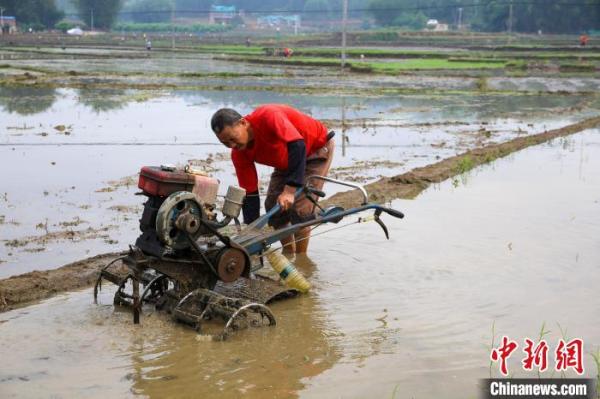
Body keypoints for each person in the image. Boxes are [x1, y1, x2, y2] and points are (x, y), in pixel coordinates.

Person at [211, 105, 335, 254]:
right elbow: (250, 194)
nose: (232, 145)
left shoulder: (268, 116)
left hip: (314, 149)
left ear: (243, 123)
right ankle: (288, 253)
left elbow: (298, 145)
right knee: (273, 208)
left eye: (232, 138)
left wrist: (289, 190)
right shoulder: (239, 153)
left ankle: (301, 260)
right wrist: (251, 233)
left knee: (300, 209)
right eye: (225, 143)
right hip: (286, 160)